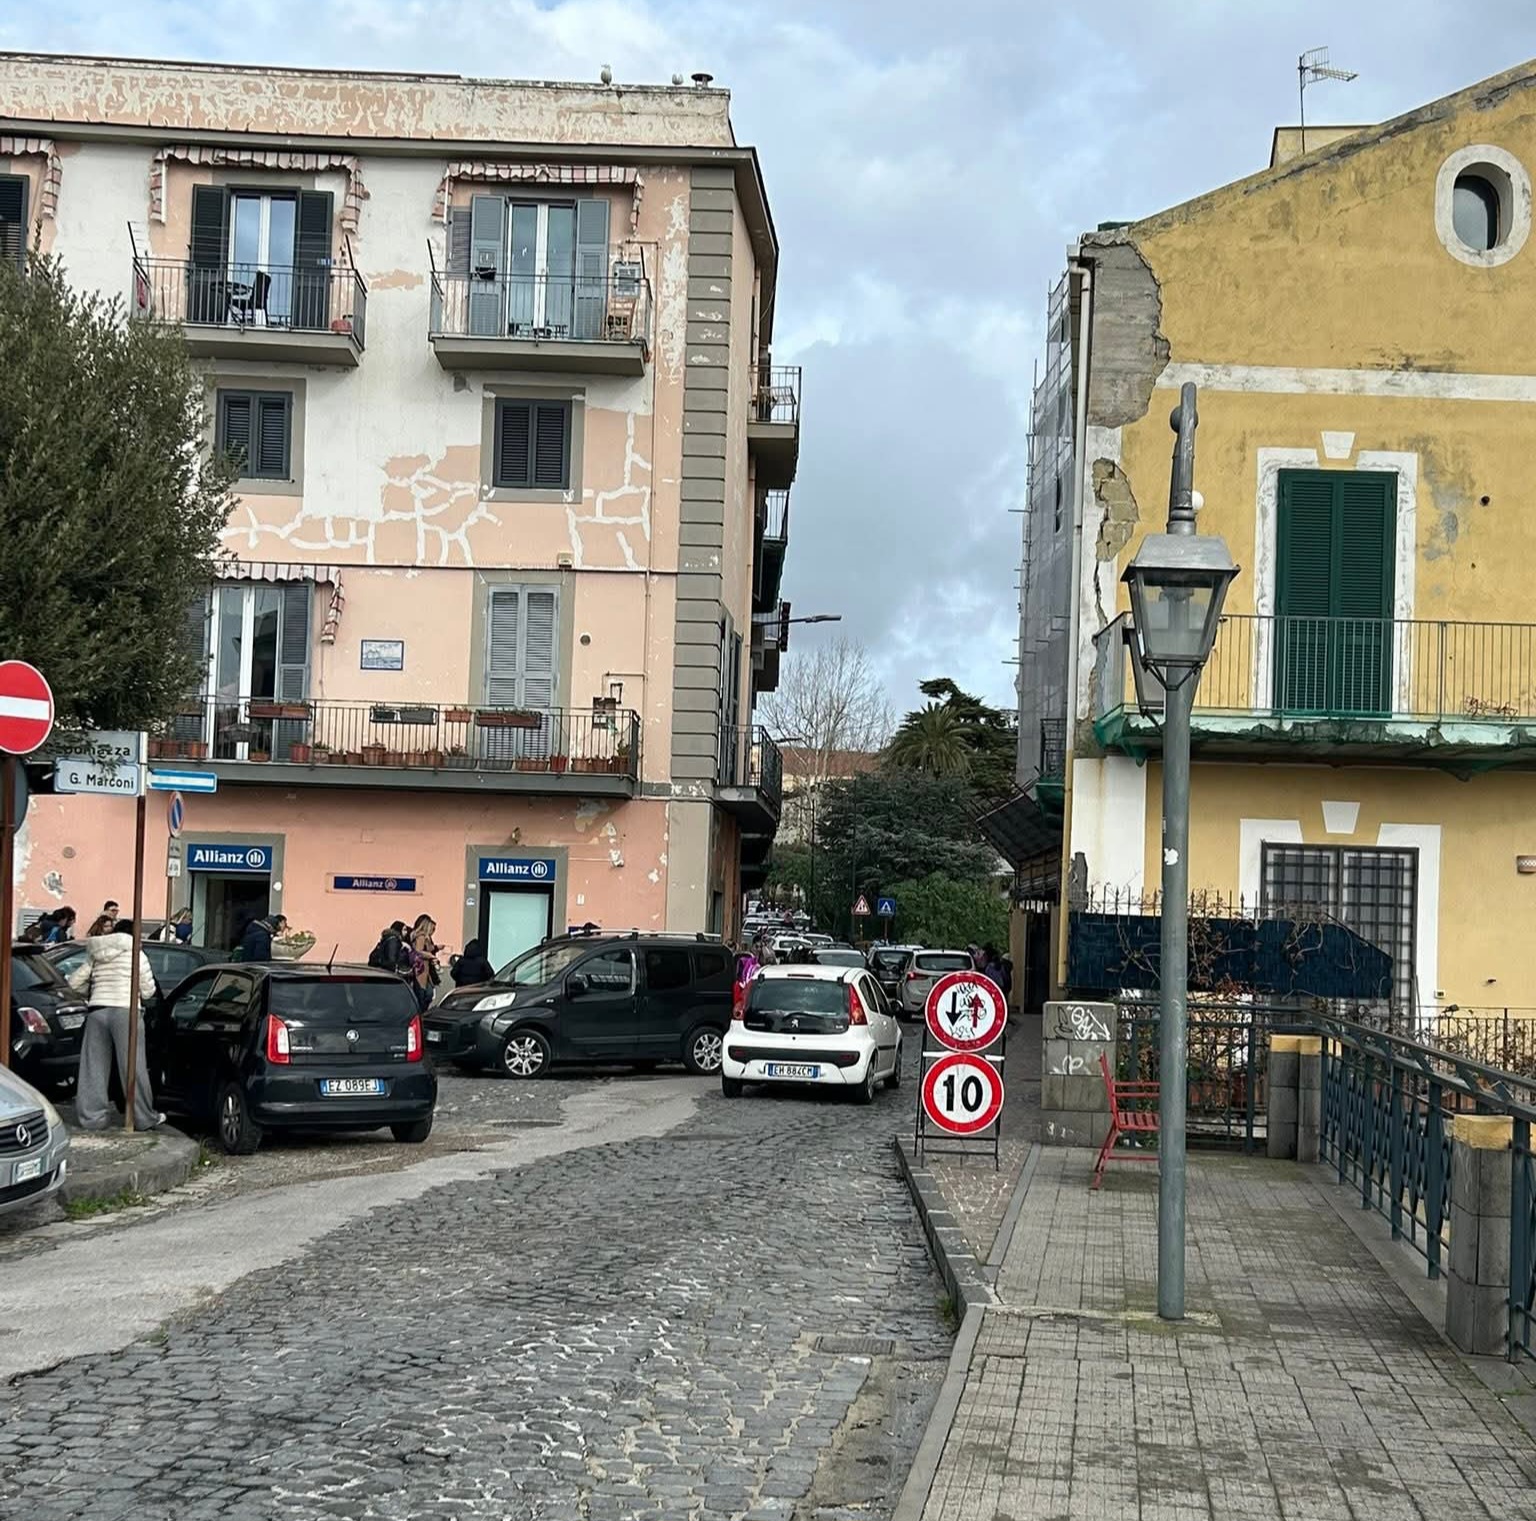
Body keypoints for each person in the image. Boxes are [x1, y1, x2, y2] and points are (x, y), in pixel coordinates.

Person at [66, 919, 163, 1132]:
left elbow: (74, 983)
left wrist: (93, 992)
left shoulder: (98, 953)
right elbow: (148, 991)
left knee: (94, 1068)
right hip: (126, 1011)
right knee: (133, 1067)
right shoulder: (137, 954)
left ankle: (93, 1119)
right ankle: (143, 1118)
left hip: (97, 1011)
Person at [409, 914, 441, 1011]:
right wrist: (430, 955)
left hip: (423, 970)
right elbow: (419, 951)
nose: (433, 931)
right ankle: (421, 1014)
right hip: (421, 969)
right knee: (425, 994)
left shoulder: (423, 937)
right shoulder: (421, 936)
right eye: (432, 929)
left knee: (427, 993)